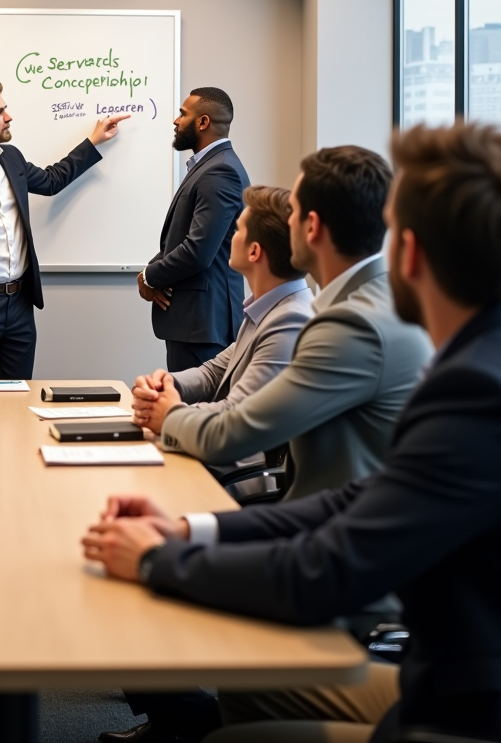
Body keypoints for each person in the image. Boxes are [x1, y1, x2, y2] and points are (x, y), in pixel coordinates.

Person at [82, 121, 501, 743]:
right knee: (247, 692)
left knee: (230, 732)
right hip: (438, 670)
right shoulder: (470, 363)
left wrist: (158, 558)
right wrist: (190, 527)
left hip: (459, 710)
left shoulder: (463, 388)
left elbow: (322, 571)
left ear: (409, 253)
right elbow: (353, 500)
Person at [131, 146, 432, 501]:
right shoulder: (362, 303)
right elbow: (220, 379)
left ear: (311, 227)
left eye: (295, 215)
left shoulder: (350, 325)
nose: (287, 225)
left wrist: (169, 414)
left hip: (327, 533)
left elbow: (235, 429)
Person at [0, 78, 128, 379]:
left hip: (19, 306)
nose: (9, 116)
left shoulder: (11, 158)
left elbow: (52, 180)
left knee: (17, 398)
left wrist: (93, 141)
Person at [131, 185, 312, 448]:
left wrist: (169, 414)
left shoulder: (290, 321)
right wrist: (166, 384)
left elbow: (234, 414)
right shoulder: (266, 308)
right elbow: (213, 373)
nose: (229, 239)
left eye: (237, 231)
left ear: (254, 252)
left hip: (236, 476)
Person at [138, 87, 249, 373]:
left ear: (203, 122)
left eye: (182, 114)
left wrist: (149, 276)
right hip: (194, 323)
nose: (175, 121)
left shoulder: (219, 171)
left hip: (203, 326)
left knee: (197, 412)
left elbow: (198, 249)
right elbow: (180, 241)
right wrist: (153, 270)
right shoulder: (209, 167)